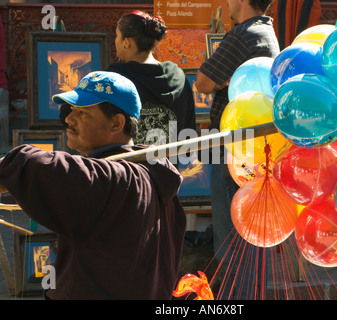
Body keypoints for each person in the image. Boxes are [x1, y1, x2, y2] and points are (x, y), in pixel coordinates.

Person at [0, 71, 186, 299]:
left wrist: (10, 165)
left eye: (82, 112)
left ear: (116, 122)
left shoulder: (117, 180)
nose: (68, 119)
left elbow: (33, 163)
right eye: (71, 111)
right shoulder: (152, 178)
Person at [195, 0, 280, 299]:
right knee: (252, 233)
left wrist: (224, 81)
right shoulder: (268, 33)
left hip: (231, 149)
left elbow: (203, 82)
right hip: (257, 149)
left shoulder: (242, 34)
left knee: (232, 237)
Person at [106, 10, 196, 145]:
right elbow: (189, 129)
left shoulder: (116, 77)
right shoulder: (177, 76)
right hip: (170, 164)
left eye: (117, 36)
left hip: (130, 164)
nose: (115, 41)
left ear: (126, 42)